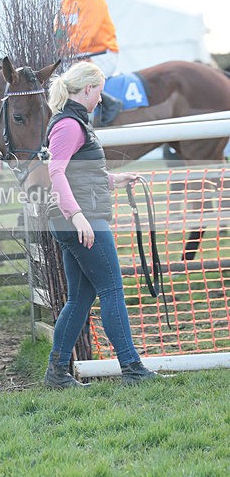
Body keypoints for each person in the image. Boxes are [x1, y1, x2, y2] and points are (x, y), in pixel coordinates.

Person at [44, 62, 157, 387]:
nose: (101, 98)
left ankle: (56, 374)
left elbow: (82, 171)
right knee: (112, 289)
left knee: (79, 299)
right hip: (82, 219)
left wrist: (114, 179)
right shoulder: (70, 125)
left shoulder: (74, 122)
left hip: (77, 217)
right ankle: (133, 369)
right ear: (89, 89)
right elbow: (57, 172)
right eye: (100, 90)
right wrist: (77, 216)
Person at [53, 0, 122, 125]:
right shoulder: (66, 2)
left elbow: (83, 39)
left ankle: (110, 103)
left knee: (72, 82)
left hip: (101, 55)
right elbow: (59, 33)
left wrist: (62, 50)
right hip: (80, 56)